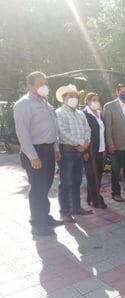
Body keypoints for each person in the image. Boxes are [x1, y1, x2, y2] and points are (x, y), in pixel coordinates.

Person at [13, 71, 63, 236]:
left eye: (45, 83)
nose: (44, 87)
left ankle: (45, 216)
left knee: (46, 184)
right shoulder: (24, 104)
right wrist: (33, 156)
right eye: (40, 84)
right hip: (35, 150)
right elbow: (23, 133)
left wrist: (55, 149)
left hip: (48, 149)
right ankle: (37, 223)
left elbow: (53, 128)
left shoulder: (46, 103)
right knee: (37, 187)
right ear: (30, 86)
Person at [56, 84, 92, 222]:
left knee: (77, 181)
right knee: (66, 182)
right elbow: (62, 132)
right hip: (67, 152)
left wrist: (86, 143)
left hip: (79, 152)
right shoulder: (59, 113)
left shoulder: (80, 113)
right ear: (64, 98)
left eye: (76, 97)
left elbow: (87, 129)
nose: (74, 99)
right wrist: (80, 142)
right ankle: (64, 211)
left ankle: (76, 207)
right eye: (71, 96)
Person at [83, 92, 107, 209]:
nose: (96, 102)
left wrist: (104, 147)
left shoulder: (99, 114)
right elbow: (83, 133)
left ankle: (90, 197)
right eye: (93, 99)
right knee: (92, 176)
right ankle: (97, 200)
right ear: (87, 101)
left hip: (100, 149)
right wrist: (85, 151)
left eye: (97, 99)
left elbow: (103, 132)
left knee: (98, 174)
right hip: (90, 149)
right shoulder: (83, 114)